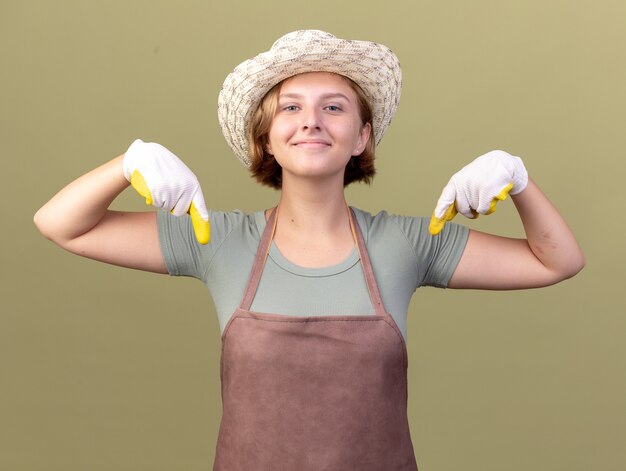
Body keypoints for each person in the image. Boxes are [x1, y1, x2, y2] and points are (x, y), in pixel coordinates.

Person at [34, 30, 584, 470]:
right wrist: (127, 164)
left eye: (334, 107)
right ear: (267, 136)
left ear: (363, 136)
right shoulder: (218, 240)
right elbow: (62, 225)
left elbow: (556, 260)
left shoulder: (405, 243)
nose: (311, 121)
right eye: (290, 108)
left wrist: (518, 181)